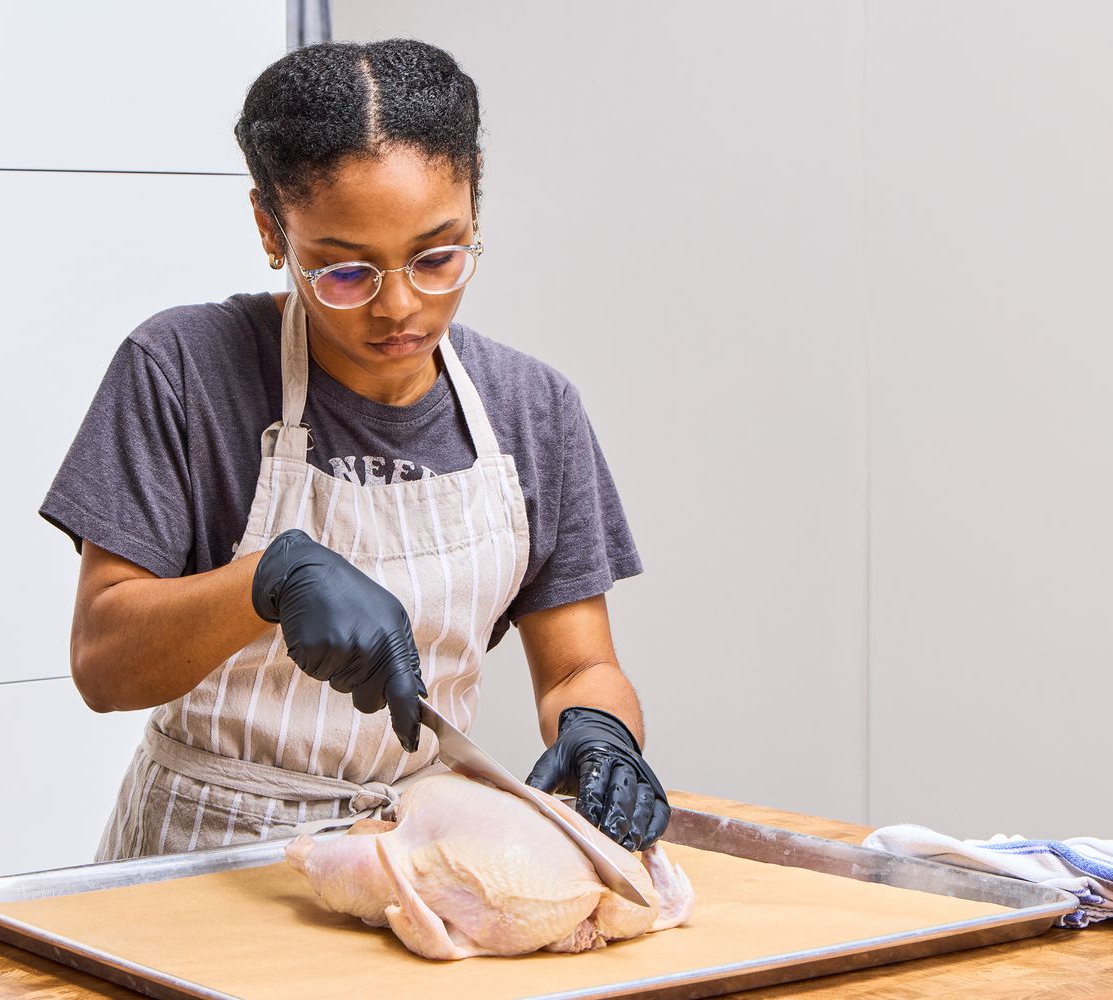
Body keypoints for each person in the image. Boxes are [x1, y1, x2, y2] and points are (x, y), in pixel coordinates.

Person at [39, 38, 671, 862]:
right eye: (344, 273)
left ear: (475, 203)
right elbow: (103, 664)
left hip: (413, 852)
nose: (401, 307)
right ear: (272, 230)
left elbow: (578, 671)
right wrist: (267, 579)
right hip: (200, 856)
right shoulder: (185, 370)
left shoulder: (532, 409)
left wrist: (602, 732)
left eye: (437, 257)